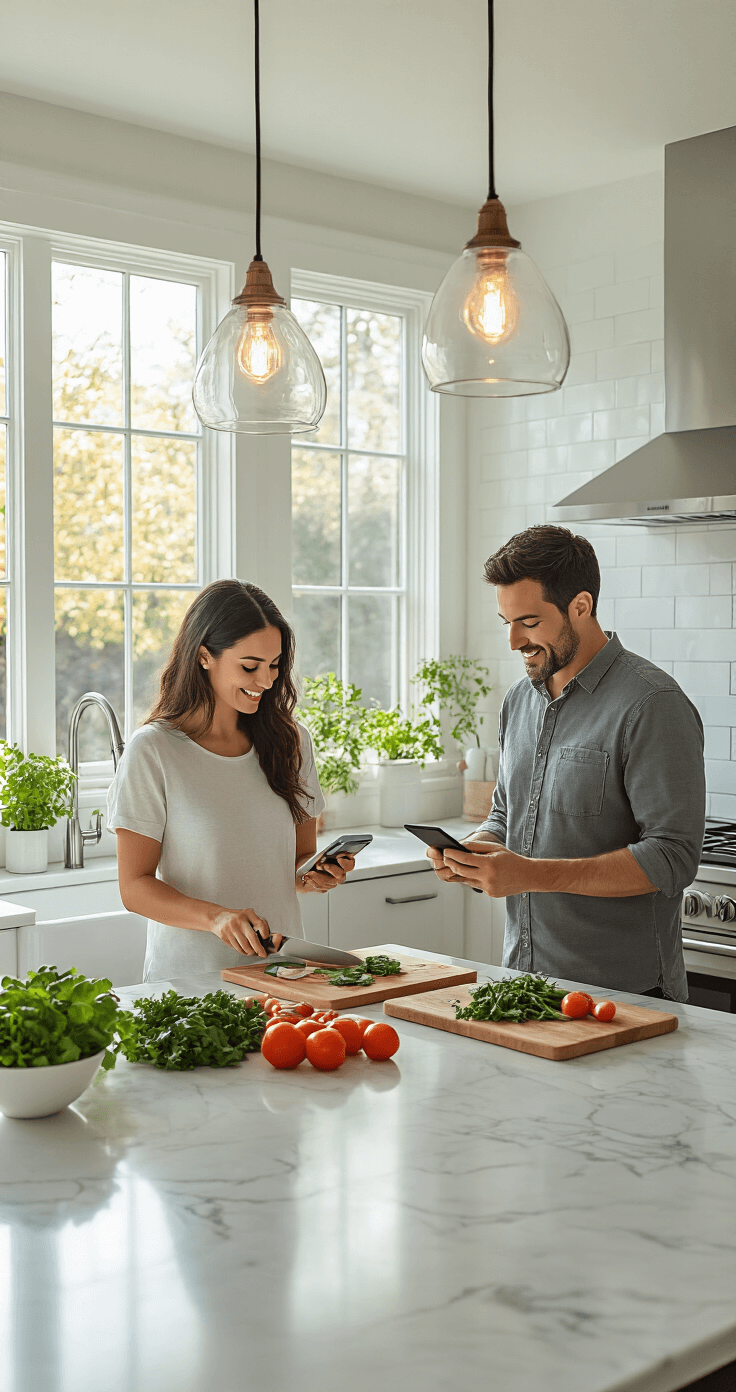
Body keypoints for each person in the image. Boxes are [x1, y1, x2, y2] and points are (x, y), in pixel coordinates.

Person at [427, 525, 705, 1001]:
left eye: (529, 622)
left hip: (625, 998)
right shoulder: (518, 701)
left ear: (581, 606)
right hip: (525, 986)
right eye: (506, 622)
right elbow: (505, 814)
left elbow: (673, 857)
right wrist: (475, 849)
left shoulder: (652, 703)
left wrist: (530, 874)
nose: (514, 641)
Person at [107, 579, 353, 981]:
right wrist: (216, 918)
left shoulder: (291, 743)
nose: (267, 681)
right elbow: (134, 886)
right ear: (204, 656)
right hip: (189, 985)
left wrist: (316, 875)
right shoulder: (154, 750)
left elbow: (295, 868)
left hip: (281, 981)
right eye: (250, 666)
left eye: (274, 666)